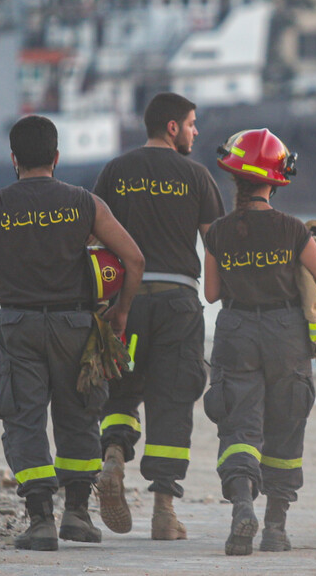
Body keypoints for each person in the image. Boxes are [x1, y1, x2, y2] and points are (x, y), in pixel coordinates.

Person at [0, 115, 144, 551]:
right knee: (79, 413)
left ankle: (41, 519)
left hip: (18, 324)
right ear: (57, 157)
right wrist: (120, 313)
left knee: (23, 419)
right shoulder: (85, 203)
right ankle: (78, 515)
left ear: (13, 159)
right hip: (76, 325)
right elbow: (134, 259)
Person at [93, 92, 225, 540]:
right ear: (172, 127)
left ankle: (112, 457)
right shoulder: (197, 175)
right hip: (177, 306)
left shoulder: (115, 171)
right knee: (171, 400)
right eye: (191, 123)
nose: (195, 131)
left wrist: (105, 306)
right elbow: (217, 246)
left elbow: (94, 242)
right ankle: (164, 511)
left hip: (124, 304)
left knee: (121, 389)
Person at [204, 128, 316, 556]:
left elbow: (210, 293)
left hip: (236, 330)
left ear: (235, 179)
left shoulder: (219, 232)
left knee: (239, 425)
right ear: (274, 180)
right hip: (286, 335)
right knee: (286, 424)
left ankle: (242, 506)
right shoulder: (293, 229)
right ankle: (276, 528)